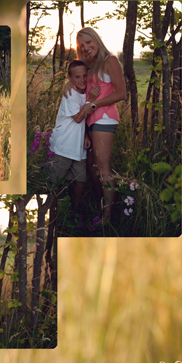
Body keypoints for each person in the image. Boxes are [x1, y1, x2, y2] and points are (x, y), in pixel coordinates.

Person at [68, 27, 127, 222]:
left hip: (105, 118)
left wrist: (94, 104)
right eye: (81, 45)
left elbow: (120, 93)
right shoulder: (89, 65)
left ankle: (107, 216)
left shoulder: (110, 61)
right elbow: (80, 86)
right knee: (91, 167)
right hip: (90, 121)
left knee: (102, 167)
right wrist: (68, 84)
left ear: (96, 40)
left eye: (88, 42)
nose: (86, 47)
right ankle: (100, 202)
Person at [48, 60, 96, 209]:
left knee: (81, 180)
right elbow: (78, 118)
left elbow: (83, 123)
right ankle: (52, 209)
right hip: (64, 145)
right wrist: (92, 101)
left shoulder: (85, 92)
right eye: (77, 77)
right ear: (69, 78)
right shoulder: (70, 94)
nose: (81, 80)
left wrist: (86, 136)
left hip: (78, 146)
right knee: (55, 181)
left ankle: (74, 209)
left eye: (84, 76)